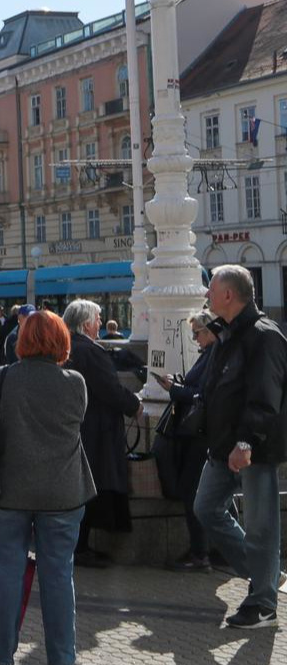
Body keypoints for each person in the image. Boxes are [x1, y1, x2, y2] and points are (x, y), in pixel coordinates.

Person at [0, 309, 96, 665]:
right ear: (62, 342)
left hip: (8, 492)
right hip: (63, 493)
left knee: (8, 571)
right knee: (58, 575)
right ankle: (62, 658)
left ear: (22, 341)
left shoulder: (5, 377)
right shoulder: (75, 383)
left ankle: (0, 657)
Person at [193, 265, 285, 629]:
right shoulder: (227, 333)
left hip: (253, 449)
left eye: (212, 290)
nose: (207, 296)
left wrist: (245, 442)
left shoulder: (265, 336)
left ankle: (263, 604)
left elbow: (266, 398)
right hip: (222, 448)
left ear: (228, 295)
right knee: (206, 507)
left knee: (262, 526)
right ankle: (263, 574)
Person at [61, 299, 140, 569]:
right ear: (85, 324)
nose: (99, 324)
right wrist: (135, 405)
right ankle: (80, 547)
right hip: (95, 430)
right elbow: (109, 388)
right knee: (90, 487)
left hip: (73, 428)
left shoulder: (65, 347)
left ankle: (78, 545)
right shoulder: (90, 352)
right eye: (97, 320)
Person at [154, 312, 217, 572]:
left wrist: (174, 389)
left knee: (194, 493)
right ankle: (218, 548)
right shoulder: (210, 354)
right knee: (210, 493)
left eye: (197, 333)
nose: (195, 339)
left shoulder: (214, 354)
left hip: (200, 435)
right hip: (201, 434)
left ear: (210, 331)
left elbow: (202, 395)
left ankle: (201, 553)